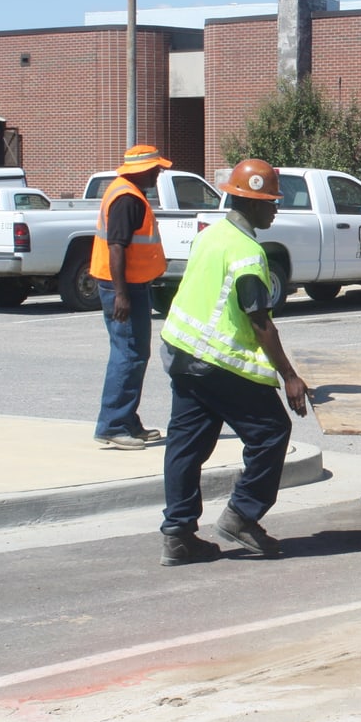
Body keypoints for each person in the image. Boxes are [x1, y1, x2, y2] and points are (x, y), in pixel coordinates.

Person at [156, 158, 310, 566]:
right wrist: (290, 377)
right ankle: (241, 516)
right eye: (271, 202)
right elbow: (259, 322)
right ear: (253, 204)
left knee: (186, 445)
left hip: (182, 353)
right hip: (217, 362)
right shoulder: (247, 253)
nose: (276, 208)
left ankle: (178, 536)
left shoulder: (212, 235)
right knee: (272, 431)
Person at [91, 144, 172, 449]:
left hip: (128, 285)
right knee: (129, 354)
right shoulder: (127, 198)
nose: (159, 172)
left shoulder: (126, 192)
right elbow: (116, 247)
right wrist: (122, 294)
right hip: (123, 288)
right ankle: (113, 424)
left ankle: (126, 420)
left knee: (133, 354)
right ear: (142, 169)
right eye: (156, 168)